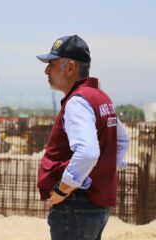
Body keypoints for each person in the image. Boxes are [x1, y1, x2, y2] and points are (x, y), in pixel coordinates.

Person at [36, 35, 130, 240]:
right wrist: (100, 172)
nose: (46, 71)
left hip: (75, 205)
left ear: (70, 68)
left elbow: (88, 153)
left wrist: (64, 188)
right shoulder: (100, 97)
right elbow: (122, 140)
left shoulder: (77, 102)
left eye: (51, 64)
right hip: (93, 205)